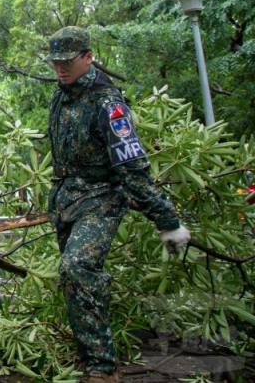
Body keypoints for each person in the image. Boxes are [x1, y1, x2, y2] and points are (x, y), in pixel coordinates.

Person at [45, 27, 191, 383]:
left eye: (67, 62)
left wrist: (167, 221)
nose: (60, 69)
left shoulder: (108, 103)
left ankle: (102, 369)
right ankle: (88, 355)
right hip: (65, 200)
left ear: (88, 56)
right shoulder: (61, 95)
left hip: (101, 199)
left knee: (78, 266)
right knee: (73, 280)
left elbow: (132, 167)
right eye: (55, 63)